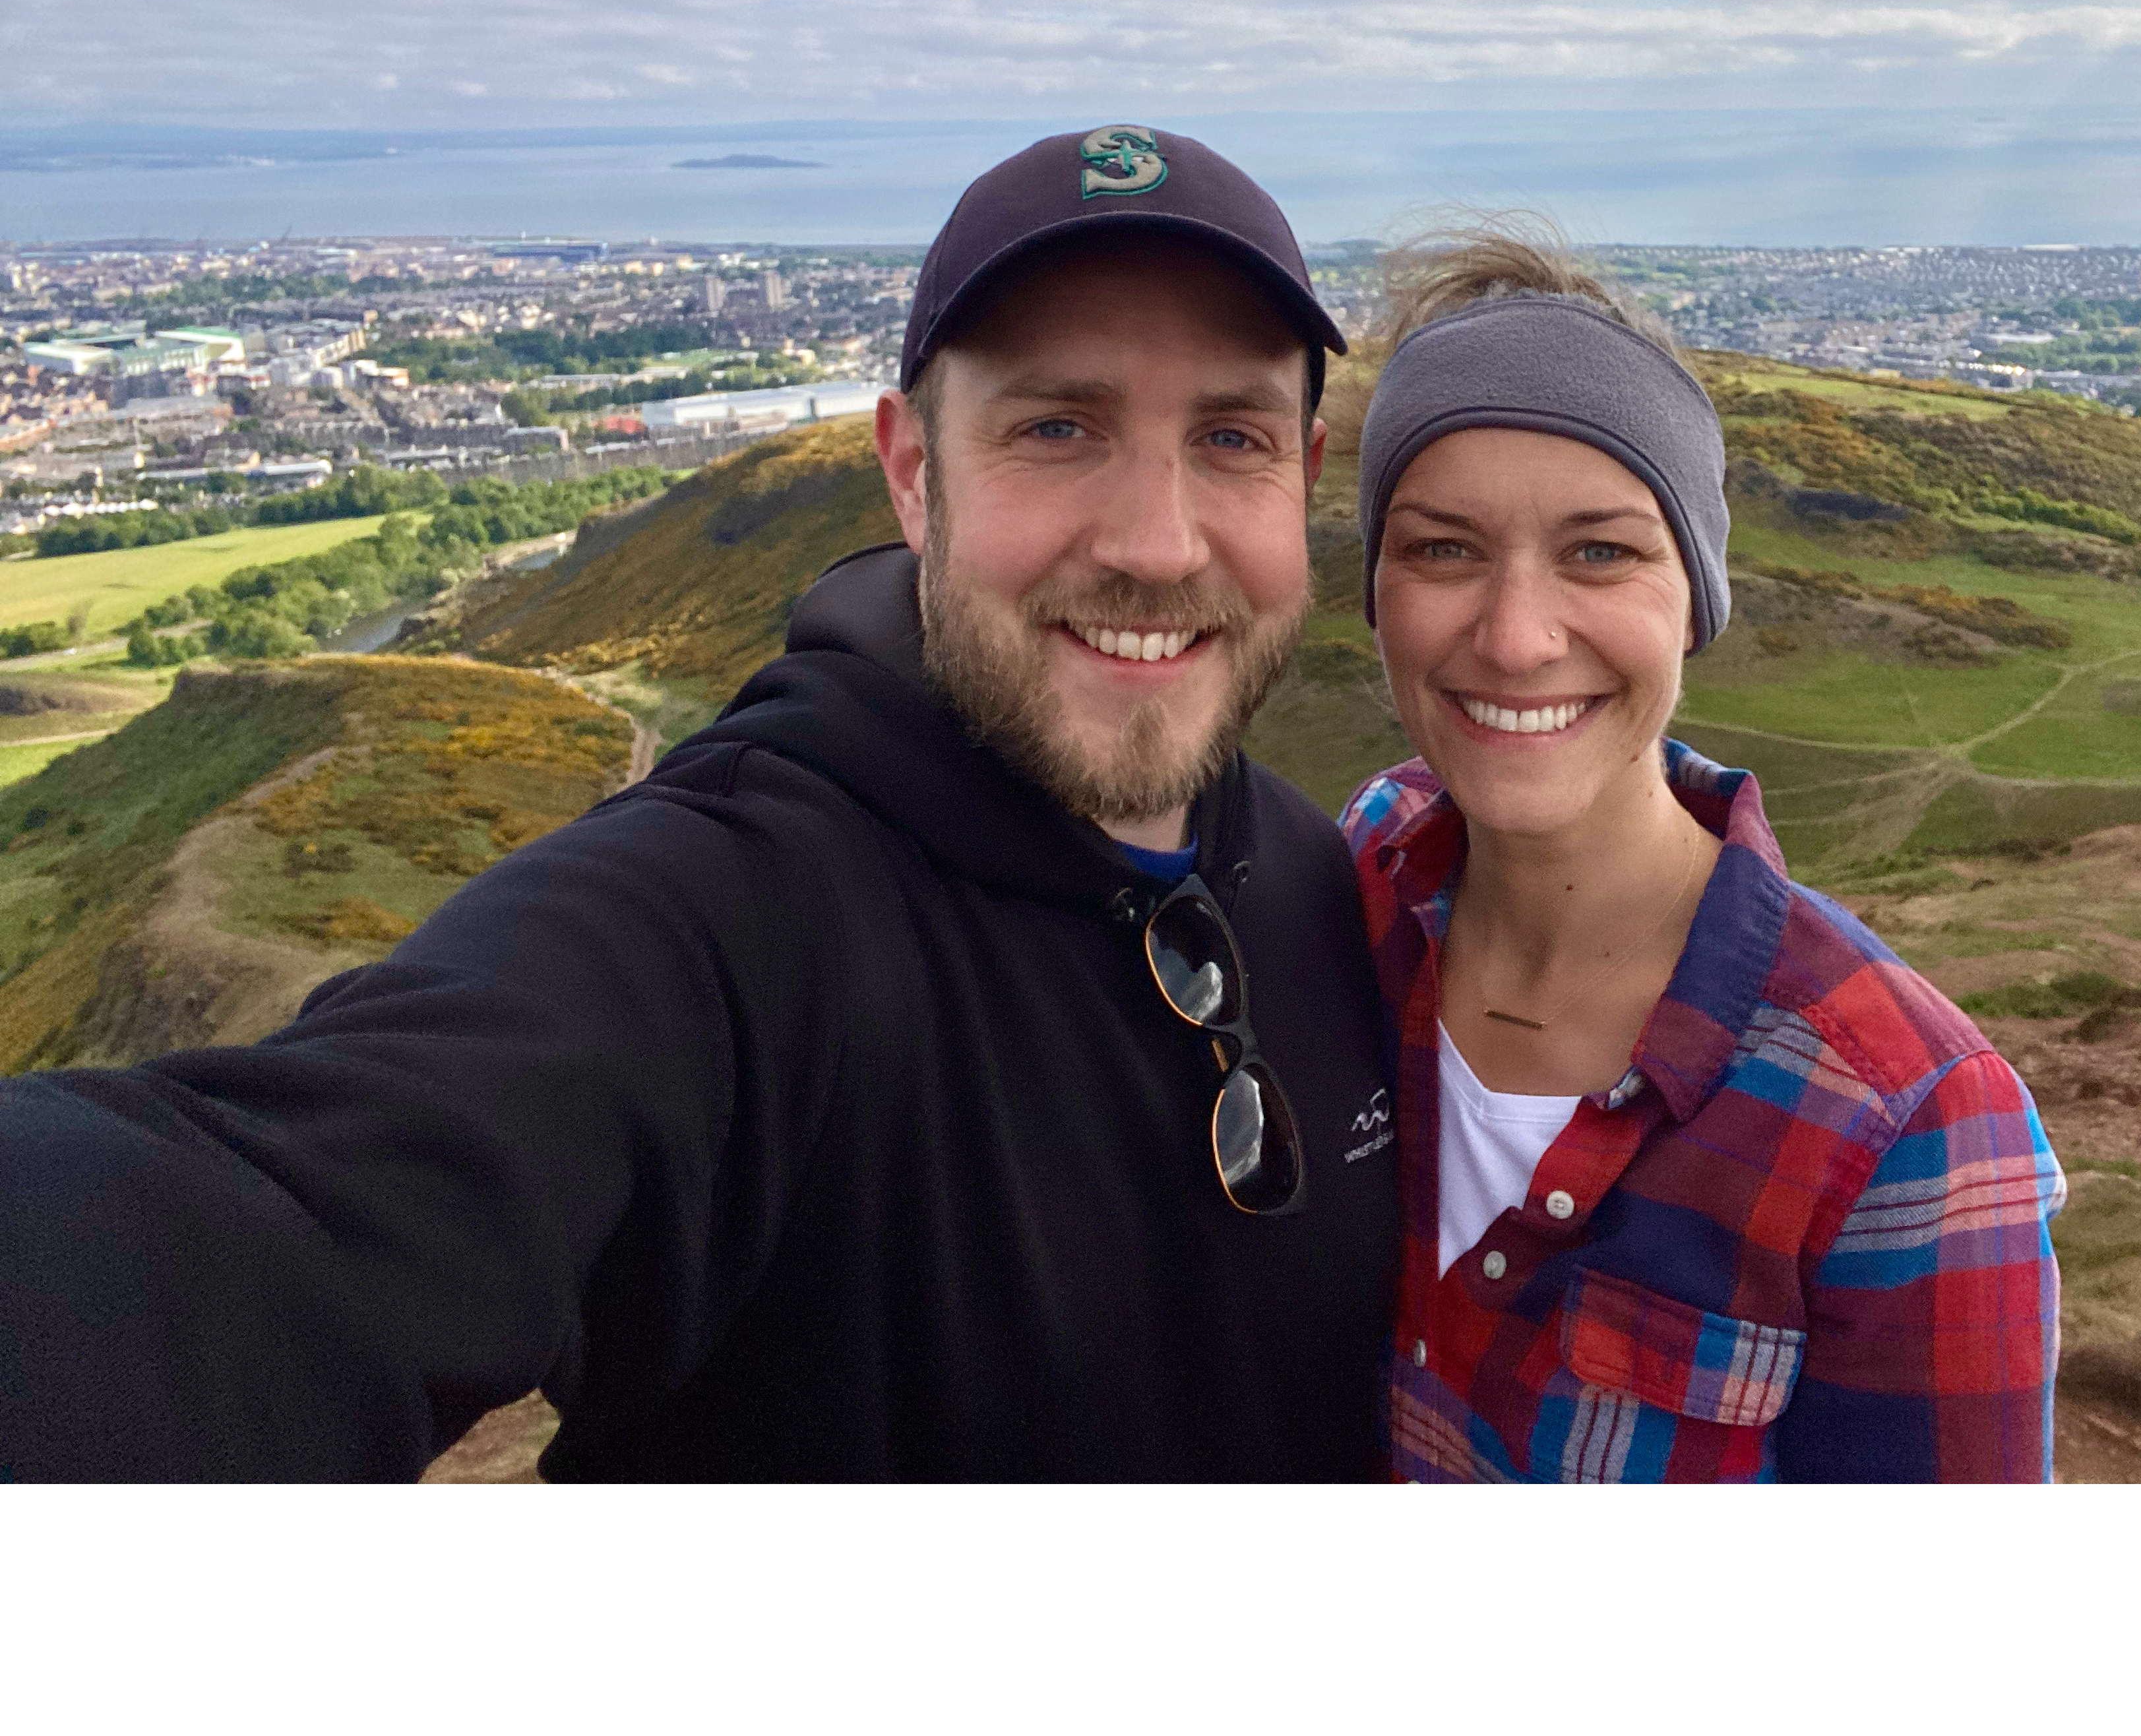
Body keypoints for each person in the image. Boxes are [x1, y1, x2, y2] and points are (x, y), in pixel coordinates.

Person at [0, 127, 1399, 1481]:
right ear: (915, 474)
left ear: (1304, 476)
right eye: (1055, 425)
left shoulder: (1319, 875)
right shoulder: (725, 919)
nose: (1157, 545)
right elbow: (287, 1223)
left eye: (1230, 436)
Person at [1340, 233, 2063, 1482]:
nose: (1514, 640)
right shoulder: (1359, 881)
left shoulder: (1909, 1121)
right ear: (1377, 586)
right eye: (1443, 548)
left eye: (1601, 551)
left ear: (1696, 595)